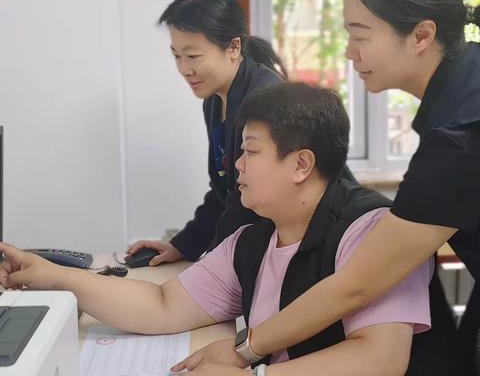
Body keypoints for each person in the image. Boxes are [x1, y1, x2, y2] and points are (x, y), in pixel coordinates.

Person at [185, 0, 480, 375]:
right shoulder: (463, 92)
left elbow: (358, 285)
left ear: (422, 34)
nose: (348, 52)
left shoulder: (459, 135)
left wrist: (248, 354)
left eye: (360, 35)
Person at [1, 83, 436, 376]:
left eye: (250, 151)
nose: (237, 166)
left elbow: (381, 357)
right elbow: (162, 303)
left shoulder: (372, 230)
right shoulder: (255, 238)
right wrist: (55, 276)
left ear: (301, 164)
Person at [128, 0, 356, 265]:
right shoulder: (214, 101)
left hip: (334, 239)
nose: (185, 69)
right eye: (177, 56)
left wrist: (209, 268)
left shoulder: (265, 100)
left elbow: (248, 205)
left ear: (234, 47)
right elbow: (225, 191)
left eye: (193, 56)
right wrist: (182, 246)